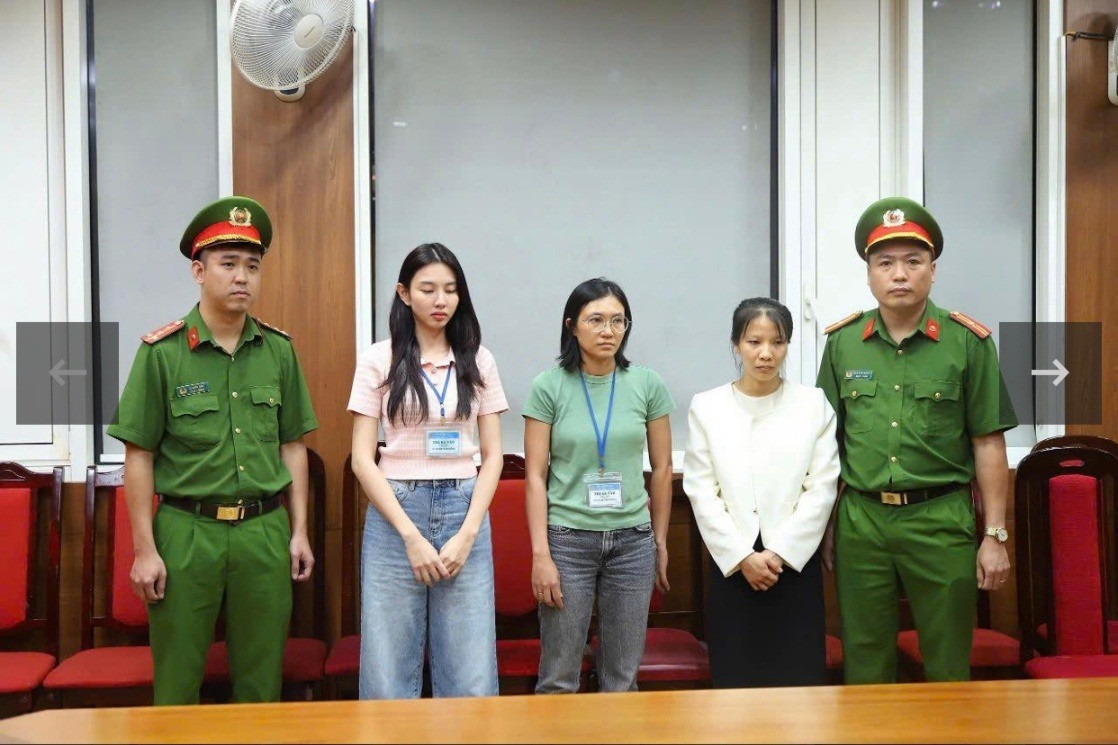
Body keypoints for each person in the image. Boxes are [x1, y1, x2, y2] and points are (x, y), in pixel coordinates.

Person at [108, 196, 318, 705]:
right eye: (228, 264)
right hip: (186, 532)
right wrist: (144, 549)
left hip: (263, 531)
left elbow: (293, 446)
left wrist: (299, 531)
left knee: (261, 683)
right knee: (177, 682)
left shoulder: (279, 351)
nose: (242, 276)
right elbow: (139, 456)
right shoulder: (162, 353)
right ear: (198, 272)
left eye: (252, 265)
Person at [816, 196, 1017, 684]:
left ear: (933, 270)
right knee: (864, 658)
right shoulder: (843, 343)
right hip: (861, 520)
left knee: (947, 660)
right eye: (885, 263)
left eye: (913, 261)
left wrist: (995, 535)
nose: (899, 274)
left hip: (939, 519)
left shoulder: (967, 342)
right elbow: (824, 445)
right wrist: (825, 524)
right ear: (869, 275)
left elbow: (988, 444)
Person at [348, 243, 507, 699]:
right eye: (428, 289)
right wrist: (410, 536)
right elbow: (361, 458)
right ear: (403, 293)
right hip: (396, 510)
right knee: (387, 671)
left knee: (470, 673)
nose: (441, 300)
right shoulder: (378, 359)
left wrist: (468, 534)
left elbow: (493, 455)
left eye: (451, 290)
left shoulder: (478, 359)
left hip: (464, 507)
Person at [523, 277, 674, 694]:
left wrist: (660, 541)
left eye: (618, 321)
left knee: (622, 679)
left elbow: (663, 468)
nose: (608, 331)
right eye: (595, 320)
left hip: (632, 542)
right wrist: (541, 555)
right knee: (558, 677)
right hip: (568, 541)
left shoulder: (647, 383)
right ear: (572, 326)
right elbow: (534, 475)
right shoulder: (548, 386)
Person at [683, 297, 840, 688]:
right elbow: (701, 490)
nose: (766, 354)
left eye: (777, 342)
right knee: (736, 681)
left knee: (799, 682)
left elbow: (822, 486)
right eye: (754, 342)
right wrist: (742, 556)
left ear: (787, 346)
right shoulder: (707, 406)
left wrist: (780, 553)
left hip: (793, 563)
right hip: (734, 564)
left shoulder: (812, 404)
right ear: (736, 344)